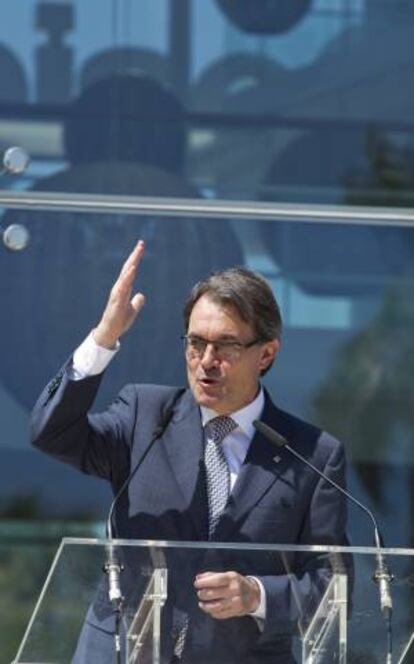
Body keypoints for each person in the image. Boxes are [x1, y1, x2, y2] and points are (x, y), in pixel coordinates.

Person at [30, 240, 350, 663]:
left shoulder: (312, 455)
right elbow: (51, 432)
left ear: (267, 353)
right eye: (196, 343)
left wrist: (256, 594)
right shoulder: (144, 415)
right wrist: (104, 338)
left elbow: (335, 586)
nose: (206, 361)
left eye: (227, 346)